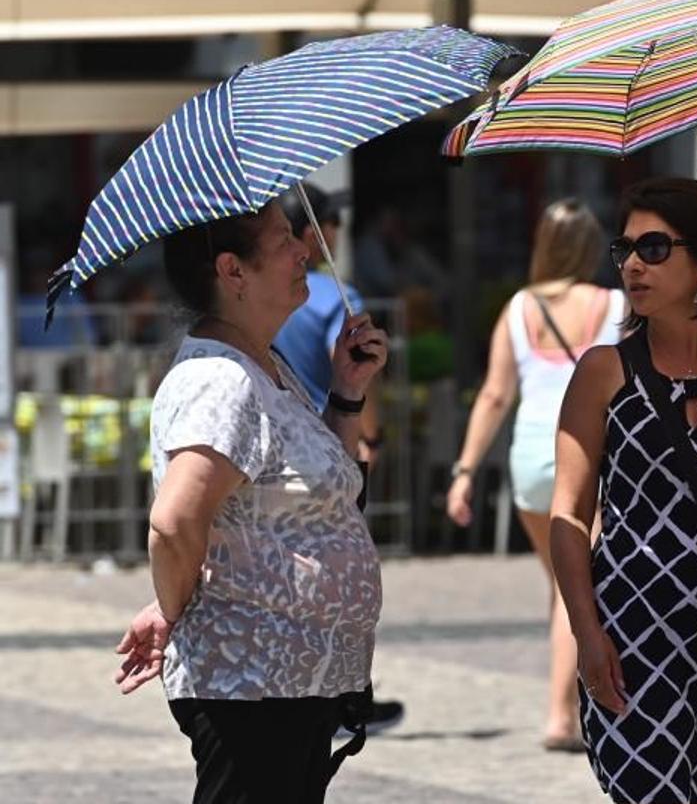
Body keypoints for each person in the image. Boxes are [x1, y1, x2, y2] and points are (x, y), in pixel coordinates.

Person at [112, 201, 389, 803]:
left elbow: (307, 498)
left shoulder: (264, 366)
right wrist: (174, 604)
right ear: (232, 270)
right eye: (285, 238)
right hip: (254, 688)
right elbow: (175, 518)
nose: (305, 251)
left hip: (286, 686)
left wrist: (346, 394)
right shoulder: (223, 380)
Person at [550, 178, 697, 802]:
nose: (631, 264)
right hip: (632, 637)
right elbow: (568, 517)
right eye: (624, 249)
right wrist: (586, 633)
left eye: (654, 249)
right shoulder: (603, 371)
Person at [447, 197, 625, 752]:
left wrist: (465, 470)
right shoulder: (615, 304)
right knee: (584, 591)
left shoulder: (519, 308)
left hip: (529, 459)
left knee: (560, 583)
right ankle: (564, 713)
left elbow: (496, 394)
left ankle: (560, 712)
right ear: (592, 248)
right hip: (588, 455)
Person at [273, 184, 404, 734]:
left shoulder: (265, 298)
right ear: (312, 233)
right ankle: (351, 695)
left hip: (279, 454)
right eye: (334, 226)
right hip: (333, 443)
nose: (336, 237)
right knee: (341, 575)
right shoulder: (332, 295)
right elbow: (350, 365)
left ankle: (303, 689)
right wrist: (368, 437)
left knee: (289, 577)